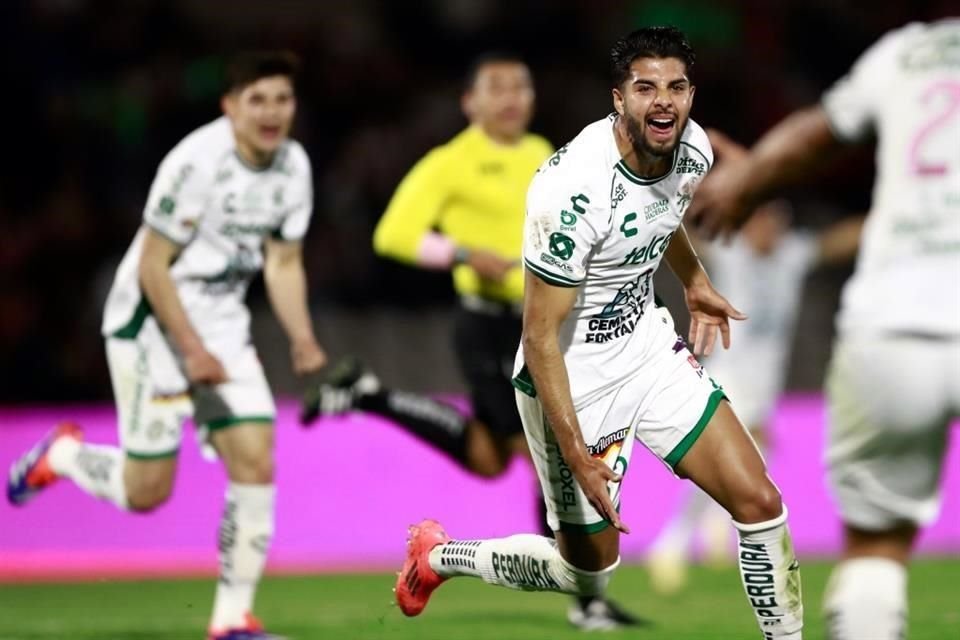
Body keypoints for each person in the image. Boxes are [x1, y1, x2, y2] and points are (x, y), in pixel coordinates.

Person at [392, 27, 805, 639]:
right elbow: (538, 338)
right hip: (570, 376)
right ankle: (438, 557)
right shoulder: (572, 192)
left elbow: (661, 215)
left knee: (761, 503)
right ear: (619, 99)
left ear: (692, 94)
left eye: (676, 87)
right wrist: (579, 455)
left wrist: (692, 280)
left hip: (647, 350)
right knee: (588, 573)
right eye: (646, 88)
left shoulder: (690, 148)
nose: (663, 101)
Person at [304, 51, 641, 630]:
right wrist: (461, 253)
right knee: (547, 456)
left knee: (491, 458)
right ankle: (587, 599)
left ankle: (369, 395)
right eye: (497, 87)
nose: (511, 97)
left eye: (521, 86)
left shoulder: (540, 153)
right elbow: (393, 234)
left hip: (539, 321)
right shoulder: (450, 162)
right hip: (486, 326)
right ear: (470, 102)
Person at [6, 51, 325, 640]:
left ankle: (232, 621)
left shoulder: (294, 166)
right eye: (257, 99)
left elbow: (283, 262)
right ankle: (65, 457)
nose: (271, 112)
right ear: (230, 107)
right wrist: (190, 350)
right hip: (152, 323)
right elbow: (154, 267)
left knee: (256, 458)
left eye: (282, 99)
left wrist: (303, 339)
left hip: (222, 324)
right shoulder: (195, 162)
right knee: (146, 491)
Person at [686, 18, 960, 640]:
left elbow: (816, 134)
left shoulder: (905, 52)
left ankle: (692, 541)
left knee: (875, 545)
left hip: (890, 324)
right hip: (733, 368)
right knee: (742, 455)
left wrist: (745, 180)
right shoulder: (739, 257)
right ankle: (693, 541)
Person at [648, 189, 863, 594]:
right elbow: (686, 236)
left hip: (764, 384)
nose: (767, 229)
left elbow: (835, 242)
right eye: (759, 220)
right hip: (727, 377)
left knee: (751, 460)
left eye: (774, 221)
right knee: (734, 462)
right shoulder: (729, 251)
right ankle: (673, 542)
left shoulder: (791, 256)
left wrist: (886, 215)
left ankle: (708, 524)